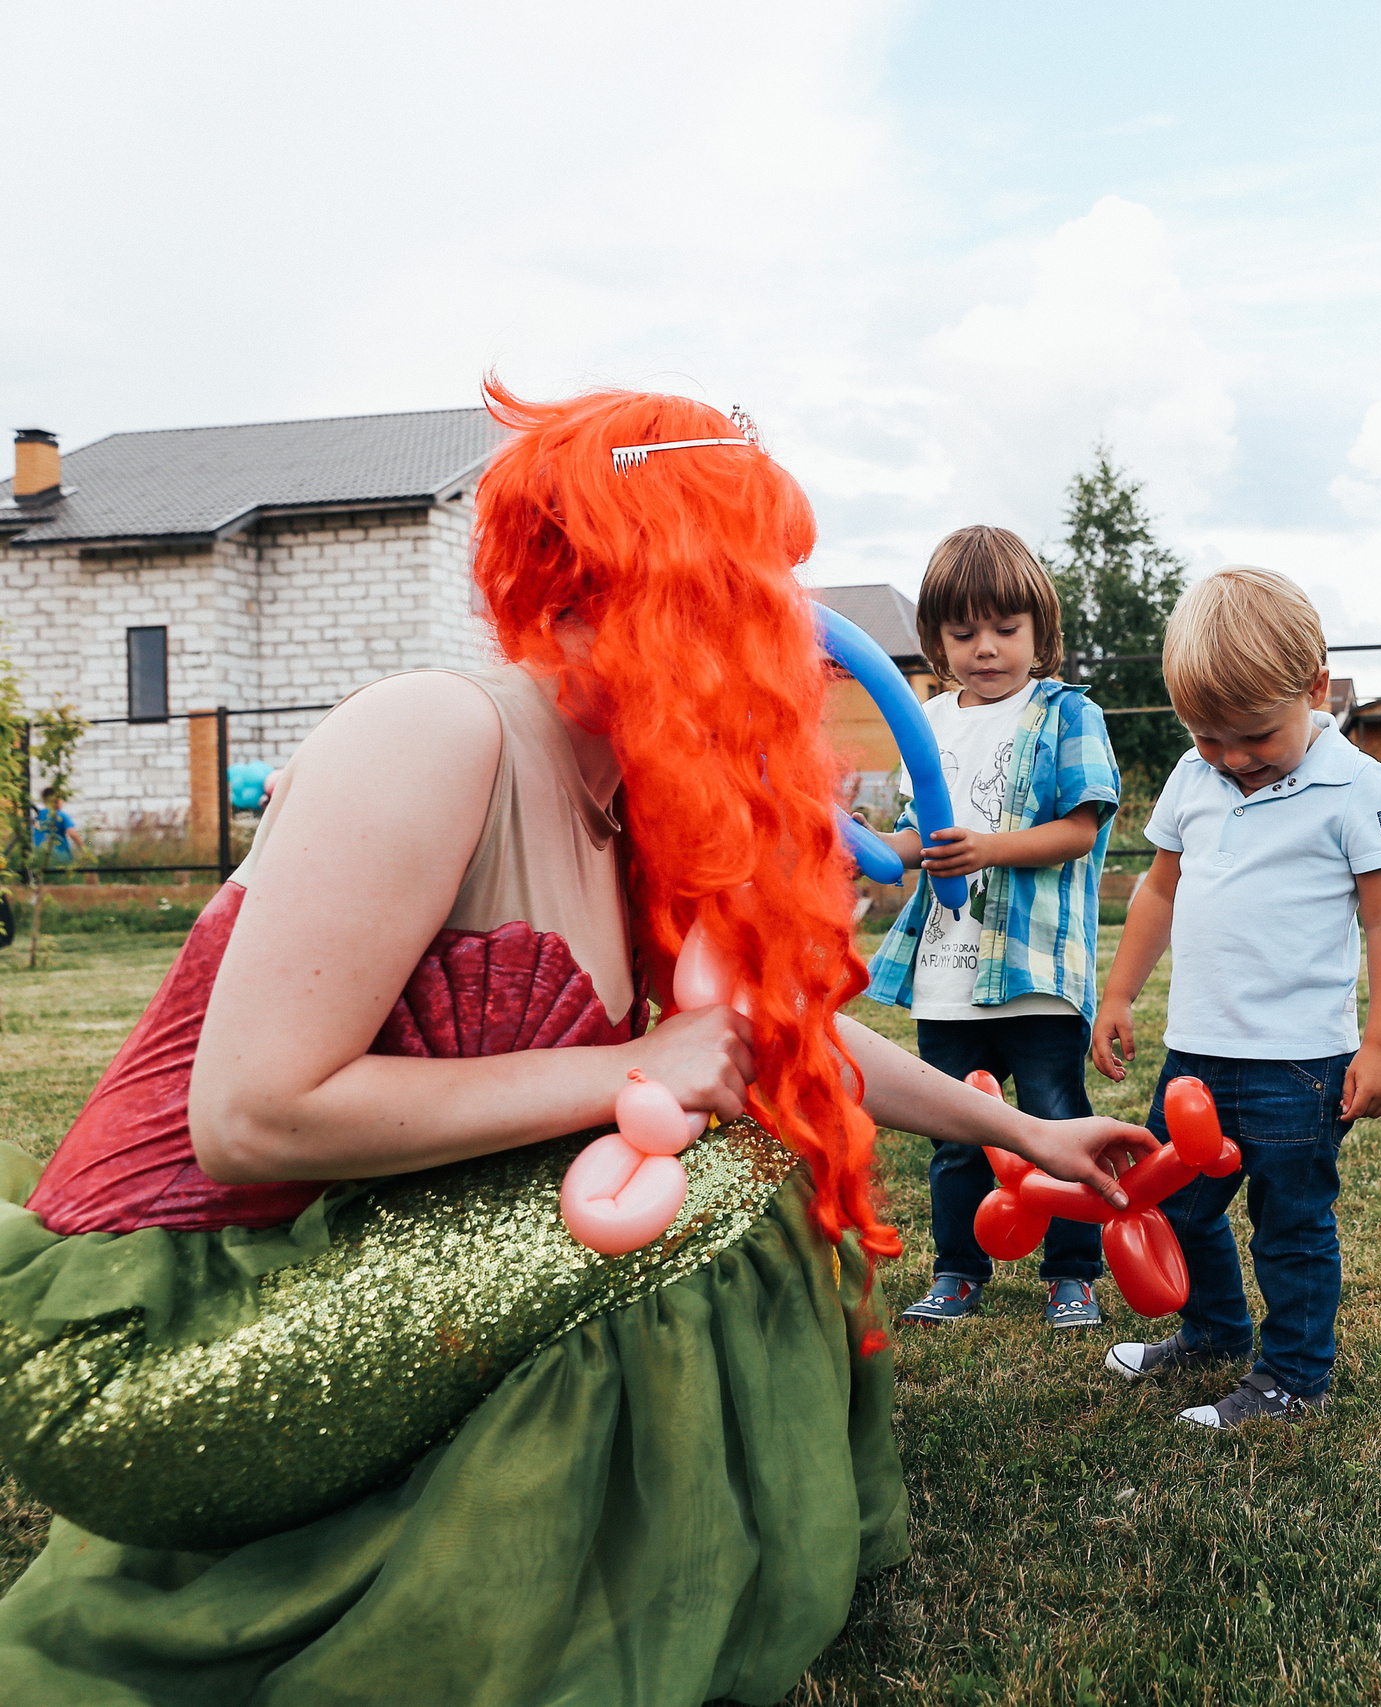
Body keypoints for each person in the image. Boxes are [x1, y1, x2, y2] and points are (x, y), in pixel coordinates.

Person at [0, 385, 1148, 1704]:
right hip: (176, 1322)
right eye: (728, 579)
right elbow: (251, 1116)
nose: (778, 621)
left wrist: (1025, 1129)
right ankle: (490, 1605)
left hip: (346, 1265)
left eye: (772, 580)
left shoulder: (639, 784)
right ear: (584, 597)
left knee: (752, 1156)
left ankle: (621, 1547)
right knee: (687, 1196)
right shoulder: (436, 735)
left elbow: (777, 1045)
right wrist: (624, 1067)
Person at [1088, 567, 1381, 1428]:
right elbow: (1158, 893)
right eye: (1207, 736)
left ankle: (1294, 1377)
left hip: (1299, 1066)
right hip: (1196, 1053)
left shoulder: (1355, 785)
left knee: (1289, 1224)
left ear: (1315, 691)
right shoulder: (1192, 781)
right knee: (1175, 1203)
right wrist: (1120, 991)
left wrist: (1380, 1044)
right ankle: (1214, 1332)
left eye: (1255, 735)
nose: (1231, 757)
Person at [867, 526, 1120, 1332]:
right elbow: (923, 833)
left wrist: (991, 848)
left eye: (1005, 629)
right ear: (936, 640)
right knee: (954, 1139)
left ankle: (1072, 1272)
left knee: (1054, 1118)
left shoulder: (1067, 714)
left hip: (1037, 972)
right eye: (964, 631)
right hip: (948, 973)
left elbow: (1081, 829)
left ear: (1040, 631)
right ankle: (957, 1271)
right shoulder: (928, 723)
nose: (986, 648)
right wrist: (872, 851)